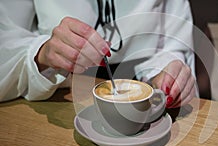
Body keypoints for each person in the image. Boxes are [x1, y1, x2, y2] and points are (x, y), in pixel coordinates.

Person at [0, 0, 197, 108]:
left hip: (144, 106)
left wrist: (167, 76)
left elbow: (172, 44)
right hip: (56, 98)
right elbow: (6, 42)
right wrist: (41, 54)